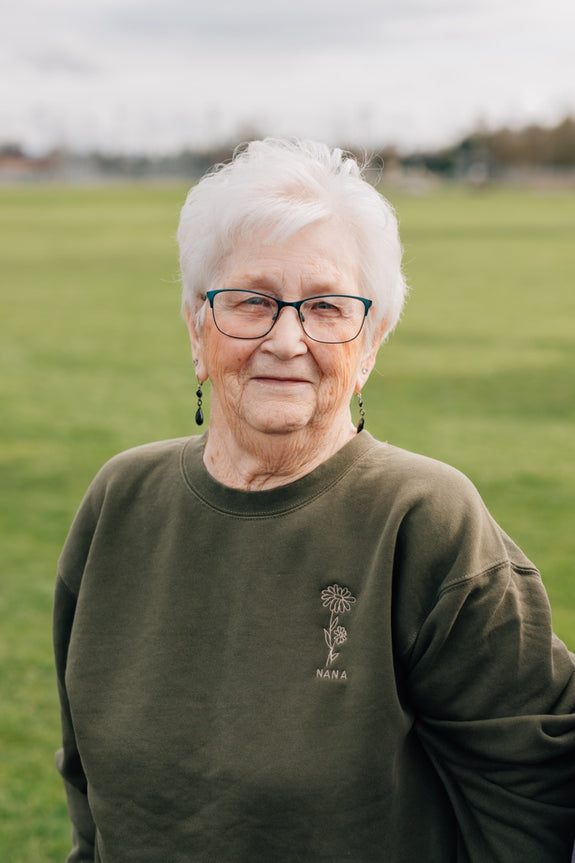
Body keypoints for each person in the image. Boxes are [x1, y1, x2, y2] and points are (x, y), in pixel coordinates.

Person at [54, 138, 575, 863]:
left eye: (328, 306)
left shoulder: (425, 520)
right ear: (196, 327)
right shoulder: (119, 499)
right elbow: (90, 792)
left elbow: (533, 806)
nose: (286, 338)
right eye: (251, 301)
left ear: (369, 344)